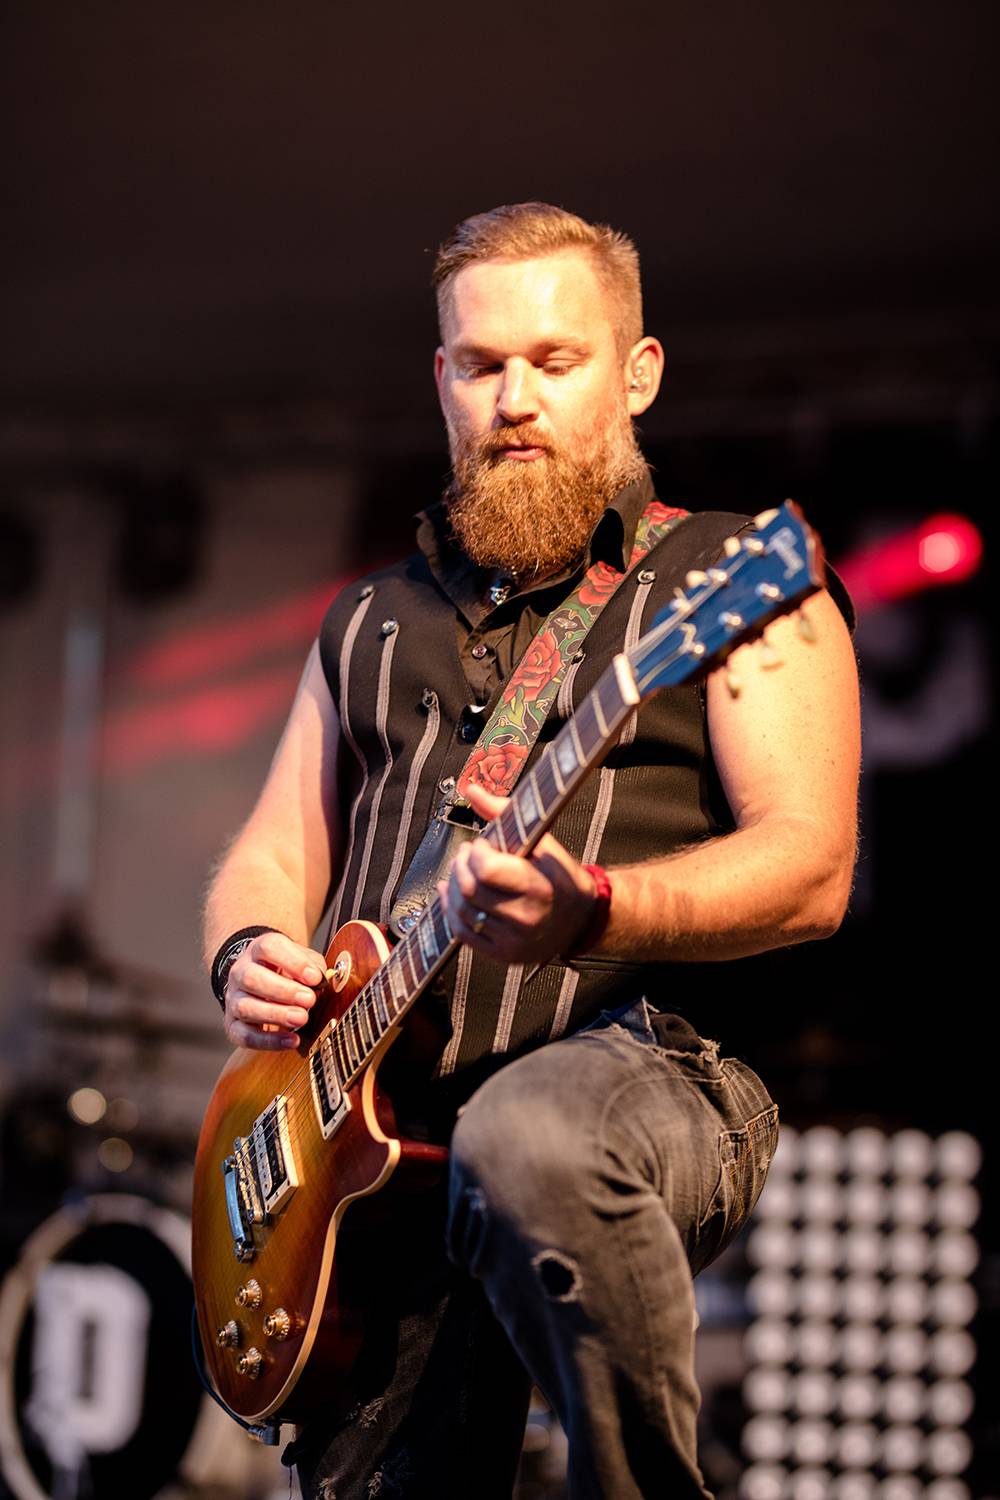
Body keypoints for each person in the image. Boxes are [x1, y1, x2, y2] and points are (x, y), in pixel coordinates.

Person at [204, 203, 860, 1499]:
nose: (513, 399)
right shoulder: (367, 621)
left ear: (638, 372)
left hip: (651, 1072)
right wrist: (246, 950)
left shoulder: (728, 576)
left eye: (555, 361)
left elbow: (812, 863)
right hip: (372, 1142)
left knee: (531, 1135)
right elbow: (272, 847)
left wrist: (597, 909)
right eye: (480, 364)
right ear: (440, 377)